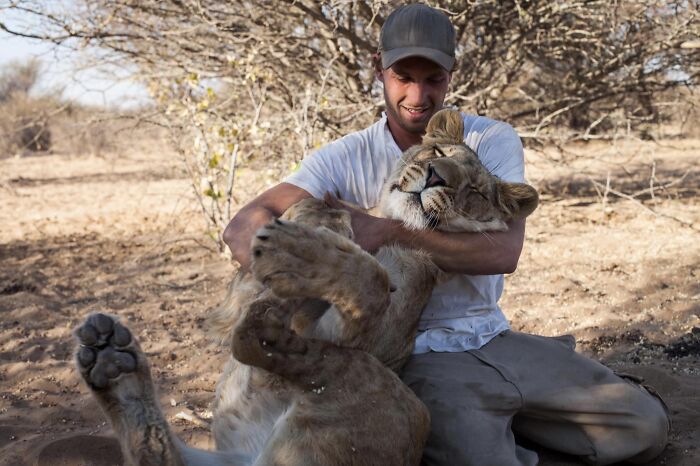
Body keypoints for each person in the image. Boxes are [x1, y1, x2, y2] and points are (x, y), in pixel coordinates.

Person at [223, 4, 669, 465]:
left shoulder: (488, 141)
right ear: (379, 69)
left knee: (646, 428)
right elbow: (242, 228)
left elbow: (504, 252)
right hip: (418, 353)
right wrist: (331, 265)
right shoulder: (344, 158)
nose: (418, 94)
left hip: (490, 336)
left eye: (433, 78)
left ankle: (517, 428)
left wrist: (386, 232)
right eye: (404, 76)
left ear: (452, 76)